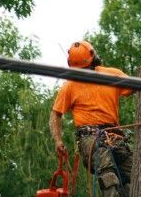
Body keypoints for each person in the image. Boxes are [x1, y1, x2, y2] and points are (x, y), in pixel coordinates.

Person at [50, 41, 133, 197]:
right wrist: (58, 140)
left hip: (114, 134)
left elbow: (134, 87)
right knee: (107, 172)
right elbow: (55, 114)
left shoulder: (112, 75)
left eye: (86, 70)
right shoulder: (70, 86)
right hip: (90, 137)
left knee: (137, 174)